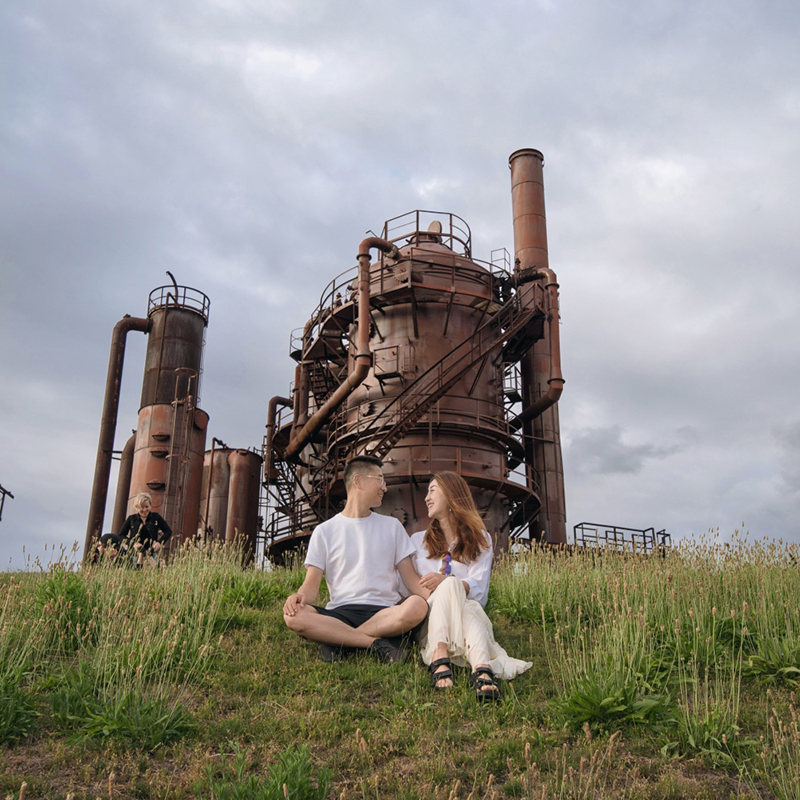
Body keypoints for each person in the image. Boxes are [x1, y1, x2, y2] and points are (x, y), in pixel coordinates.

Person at [283, 455, 429, 664]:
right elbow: (311, 585)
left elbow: (411, 580)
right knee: (293, 616)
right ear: (358, 481)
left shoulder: (392, 526)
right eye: (379, 479)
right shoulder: (324, 531)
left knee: (417, 605)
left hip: (385, 612)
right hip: (340, 611)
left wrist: (445, 596)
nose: (384, 487)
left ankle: (337, 639)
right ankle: (375, 643)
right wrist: (298, 597)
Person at [411, 472, 532, 701]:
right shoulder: (417, 541)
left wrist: (449, 583)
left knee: (466, 601)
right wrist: (447, 585)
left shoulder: (481, 539)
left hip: (465, 613)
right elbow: (407, 586)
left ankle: (450, 661)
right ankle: (479, 668)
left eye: (433, 490)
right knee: (453, 589)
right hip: (430, 616)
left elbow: (479, 590)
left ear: (451, 495)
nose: (426, 497)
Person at [118, 492, 172, 567]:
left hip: (151, 554)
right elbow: (121, 535)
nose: (144, 510)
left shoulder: (156, 517)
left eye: (147, 506)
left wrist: (159, 543)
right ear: (136, 507)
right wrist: (133, 544)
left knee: (154, 575)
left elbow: (168, 531)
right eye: (141, 507)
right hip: (134, 555)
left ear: (150, 505)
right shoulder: (131, 519)